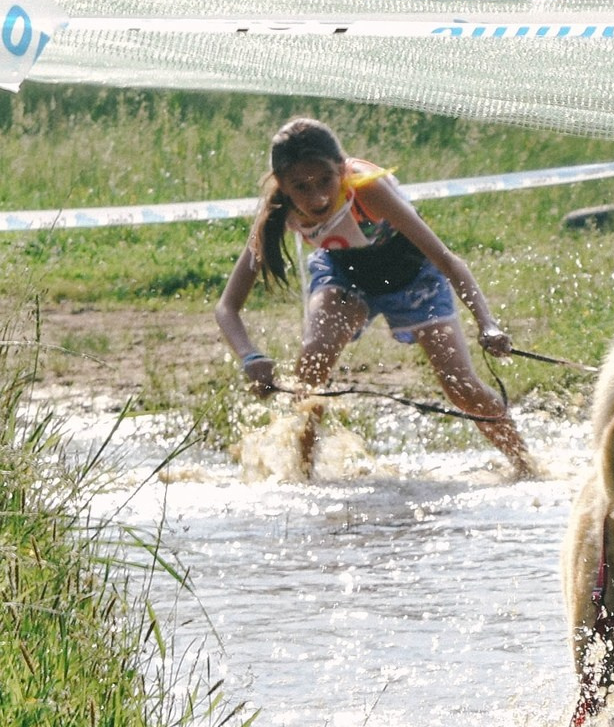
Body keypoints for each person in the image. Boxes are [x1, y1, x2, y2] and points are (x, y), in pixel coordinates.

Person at [214, 116, 533, 476]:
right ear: (282, 186)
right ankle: (301, 478)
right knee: (311, 365)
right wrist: (250, 357)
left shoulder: (369, 191)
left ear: (341, 169)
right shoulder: (276, 212)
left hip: (414, 277)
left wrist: (487, 324)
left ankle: (527, 467)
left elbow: (446, 259)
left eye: (324, 181)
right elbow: (227, 307)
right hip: (344, 275)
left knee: (461, 386)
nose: (316, 196)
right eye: (300, 187)